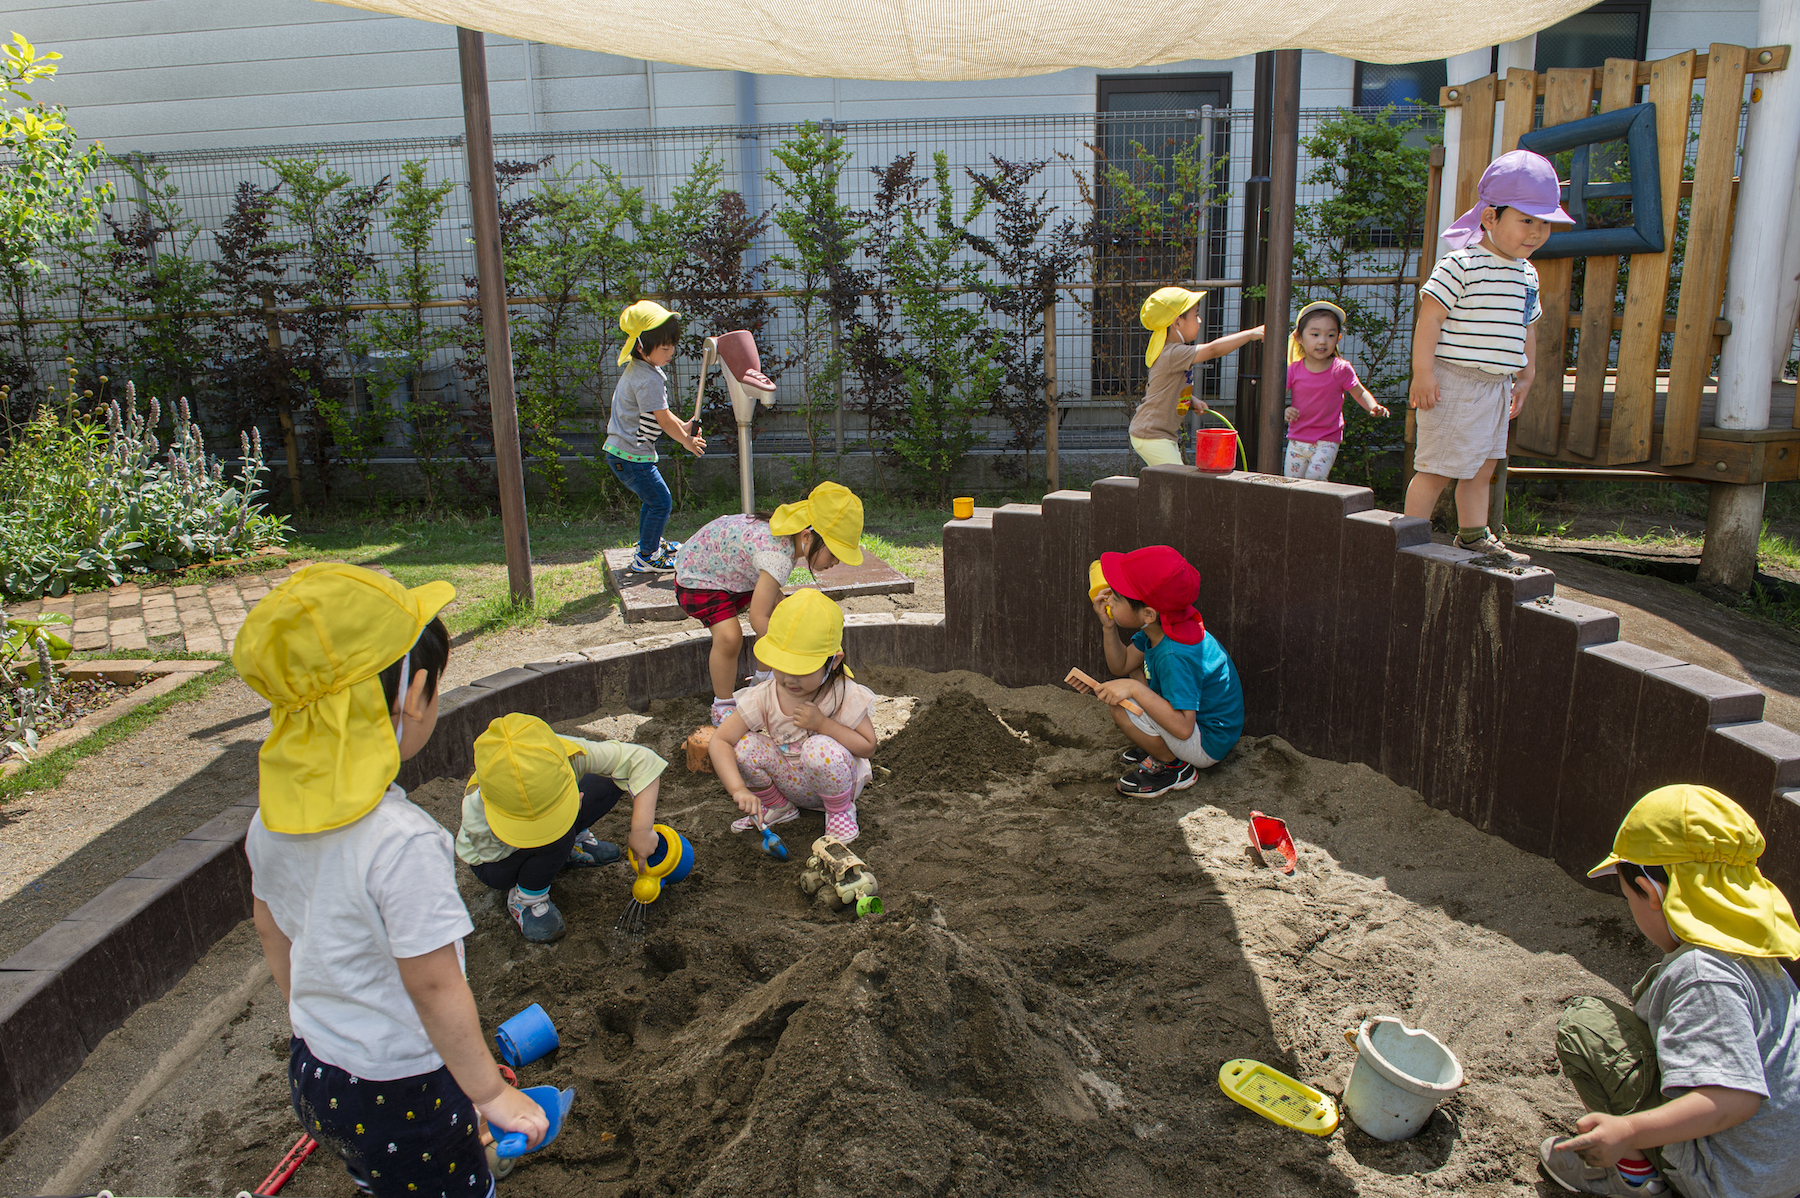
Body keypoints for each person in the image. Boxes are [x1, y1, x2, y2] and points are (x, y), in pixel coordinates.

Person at [234, 563, 548, 1198]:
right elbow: (432, 983)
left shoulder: (270, 823)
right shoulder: (399, 841)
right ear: (414, 695)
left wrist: (314, 1025)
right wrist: (488, 1091)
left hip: (318, 1070)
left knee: (380, 1171)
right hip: (401, 1085)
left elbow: (272, 932)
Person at [1541, 784, 1800, 1198]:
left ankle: (1635, 1176)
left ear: (1652, 892)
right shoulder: (1760, 956)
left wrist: (1627, 1130)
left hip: (1725, 1181)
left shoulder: (1702, 973)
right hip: (1780, 1174)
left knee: (1587, 1026)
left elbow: (1734, 1099)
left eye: (1630, 896)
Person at [1405, 149, 1571, 563]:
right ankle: (1406, 538)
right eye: (1526, 220)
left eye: (1544, 223)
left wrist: (1527, 376)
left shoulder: (1527, 272)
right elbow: (1430, 318)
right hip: (1455, 381)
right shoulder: (1461, 264)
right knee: (1438, 466)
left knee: (1484, 466)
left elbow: (1525, 326)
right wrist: (1422, 373)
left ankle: (1473, 535)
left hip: (1497, 384)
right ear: (1490, 218)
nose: (1536, 232)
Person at [454, 713, 667, 944]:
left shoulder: (563, 753)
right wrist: (557, 833)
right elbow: (493, 855)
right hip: (497, 862)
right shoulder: (478, 812)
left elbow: (642, 761)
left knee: (610, 776)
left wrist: (641, 831)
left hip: (547, 836)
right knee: (557, 839)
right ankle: (526, 899)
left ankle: (567, 847)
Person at [674, 481, 865, 727]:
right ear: (807, 536)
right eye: (833, 553)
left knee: (779, 613)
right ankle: (723, 706)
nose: (836, 561)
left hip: (729, 572)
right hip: (699, 579)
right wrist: (788, 655)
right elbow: (757, 618)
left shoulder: (787, 535)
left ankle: (762, 682)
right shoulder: (778, 556)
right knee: (730, 637)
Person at [708, 588, 878, 843]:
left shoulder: (842, 692)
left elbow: (868, 747)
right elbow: (720, 740)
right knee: (743, 746)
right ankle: (778, 807)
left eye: (801, 669)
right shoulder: (765, 695)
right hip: (791, 783)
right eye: (780, 667)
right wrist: (739, 790)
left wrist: (823, 724)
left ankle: (840, 814)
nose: (789, 679)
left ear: (832, 661)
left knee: (817, 748)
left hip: (838, 784)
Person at [1076, 545, 1244, 797]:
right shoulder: (1163, 628)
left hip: (1207, 742)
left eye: (1117, 598)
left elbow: (1184, 728)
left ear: (1148, 614)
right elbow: (1121, 664)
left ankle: (1174, 766)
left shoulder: (1174, 654)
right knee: (1134, 671)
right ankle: (1159, 745)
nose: (1108, 599)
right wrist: (1108, 626)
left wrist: (1132, 689)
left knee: (1122, 705)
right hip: (1197, 724)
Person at [606, 299, 706, 573]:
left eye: (672, 345)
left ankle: (647, 544)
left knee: (652, 501)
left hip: (625, 453)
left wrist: (684, 428)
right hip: (631, 457)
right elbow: (662, 419)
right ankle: (647, 556)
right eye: (665, 347)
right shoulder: (647, 378)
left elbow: (663, 413)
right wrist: (686, 441)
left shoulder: (645, 370)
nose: (671, 351)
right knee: (661, 502)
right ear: (641, 346)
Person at [1131, 286, 1264, 469]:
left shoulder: (1170, 351)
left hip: (1157, 434)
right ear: (1177, 323)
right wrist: (1250, 334)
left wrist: (1190, 400)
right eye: (1195, 315)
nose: (1199, 320)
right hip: (1152, 435)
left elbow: (1163, 387)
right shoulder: (1173, 352)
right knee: (1177, 480)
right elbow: (1214, 349)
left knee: (1170, 482)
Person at [1283, 299, 1389, 481]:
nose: (1322, 341)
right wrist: (1284, 410)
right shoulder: (1293, 370)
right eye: (1315, 334)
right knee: (1292, 483)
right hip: (1297, 438)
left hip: (1327, 439)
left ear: (1338, 338)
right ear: (1299, 337)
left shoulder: (1341, 369)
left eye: (1330, 335)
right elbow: (1276, 398)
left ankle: (1317, 508)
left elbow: (1359, 392)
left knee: (1315, 478)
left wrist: (1373, 406)